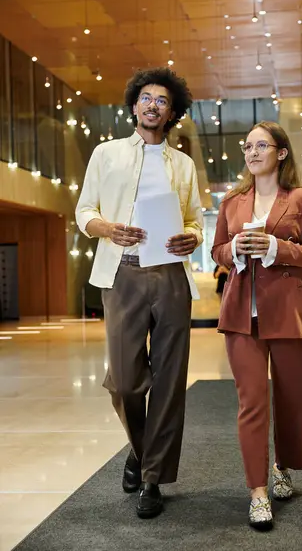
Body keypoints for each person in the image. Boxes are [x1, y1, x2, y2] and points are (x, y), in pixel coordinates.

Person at [76, 68, 203, 519]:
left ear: (173, 113)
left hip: (170, 276)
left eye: (162, 101)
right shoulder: (106, 154)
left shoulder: (182, 164)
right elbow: (84, 210)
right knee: (127, 381)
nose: (152, 105)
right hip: (123, 274)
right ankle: (142, 446)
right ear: (134, 106)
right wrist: (108, 229)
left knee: (169, 382)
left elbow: (195, 221)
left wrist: (192, 236)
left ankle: (153, 479)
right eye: (145, 98)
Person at [211, 121, 302, 531]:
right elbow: (217, 251)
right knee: (252, 402)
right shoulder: (232, 201)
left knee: (291, 397)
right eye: (247, 146)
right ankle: (257, 491)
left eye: (261, 145)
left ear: (281, 152)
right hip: (241, 314)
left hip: (286, 311)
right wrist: (234, 250)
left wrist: (278, 248)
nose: (252, 152)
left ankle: (283, 466)